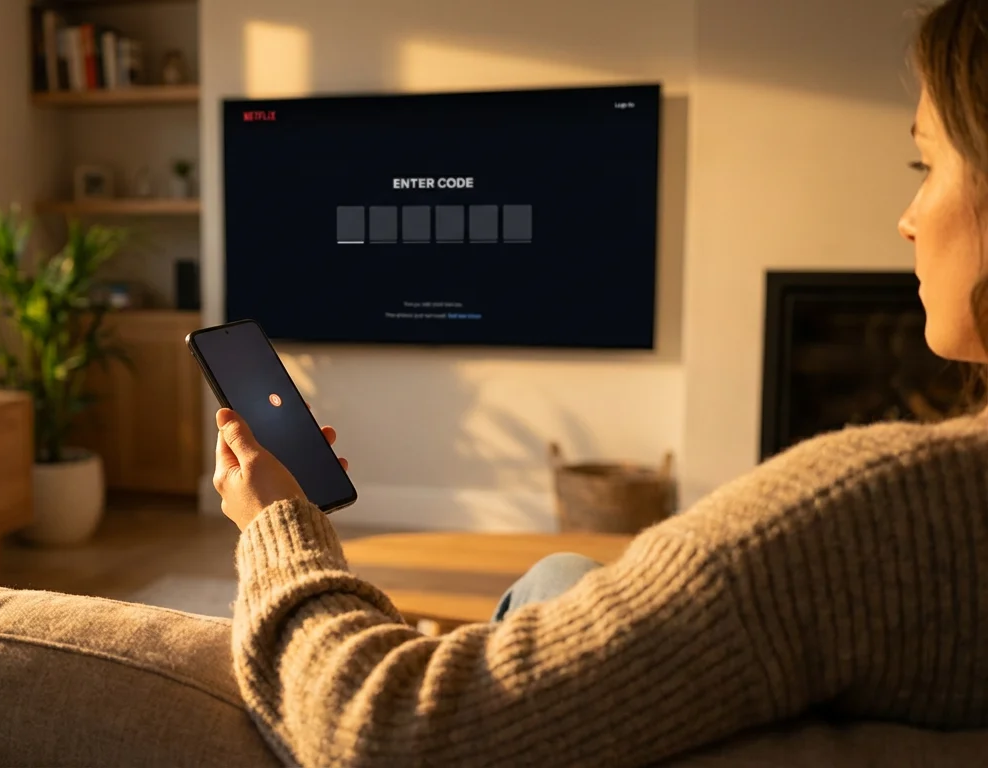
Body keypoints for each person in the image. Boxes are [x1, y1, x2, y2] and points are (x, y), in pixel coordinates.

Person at [210, 1, 988, 766]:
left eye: (926, 163)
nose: (907, 218)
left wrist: (277, 521)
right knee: (563, 575)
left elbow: (379, 726)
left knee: (556, 580)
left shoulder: (873, 512)